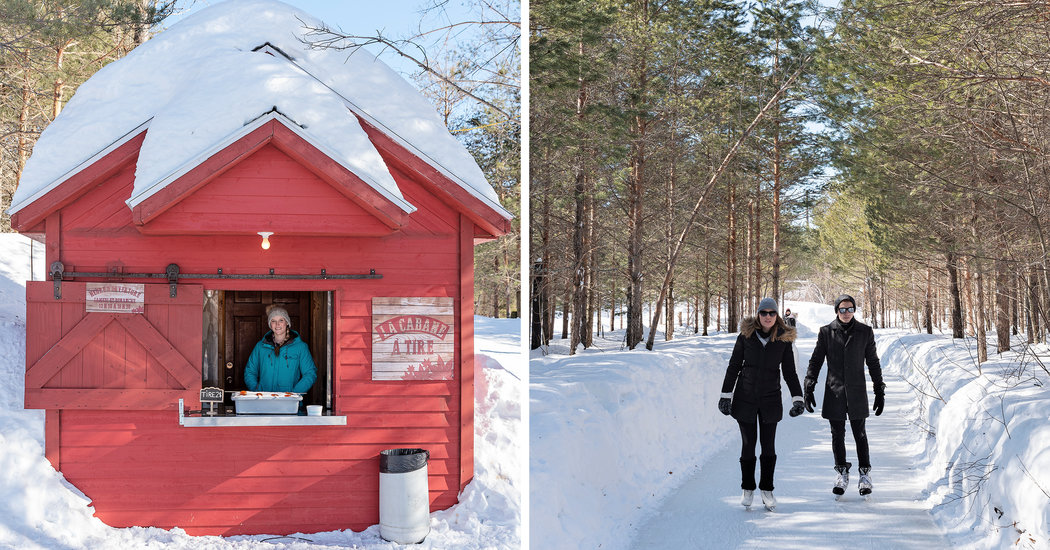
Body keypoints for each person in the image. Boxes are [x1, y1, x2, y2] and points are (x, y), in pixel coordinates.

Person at [718, 297, 805, 511]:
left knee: (768, 448)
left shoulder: (784, 340)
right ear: (758, 315)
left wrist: (798, 398)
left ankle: (767, 489)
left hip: (770, 400)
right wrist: (725, 395)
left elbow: (790, 373)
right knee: (748, 446)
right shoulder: (746, 336)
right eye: (764, 313)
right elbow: (734, 366)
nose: (768, 316)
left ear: (777, 317)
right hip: (745, 399)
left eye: (772, 313)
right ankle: (748, 488)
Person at [804, 294, 885, 498]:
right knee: (837, 434)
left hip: (857, 391)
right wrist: (809, 384)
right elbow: (816, 361)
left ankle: (865, 475)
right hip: (835, 391)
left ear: (854, 310)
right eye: (842, 309)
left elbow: (873, 362)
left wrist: (879, 389)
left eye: (850, 309)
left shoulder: (865, 332)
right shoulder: (826, 332)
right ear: (836, 311)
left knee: (860, 434)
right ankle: (841, 473)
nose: (846, 313)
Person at [245, 306, 317, 395]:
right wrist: (257, 391)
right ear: (270, 324)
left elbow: (310, 373)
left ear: (287, 322)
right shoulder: (260, 347)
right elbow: (250, 371)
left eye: (281, 320)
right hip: (264, 401)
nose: (277, 324)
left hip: (289, 402)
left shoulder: (301, 347)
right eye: (273, 321)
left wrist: (294, 394)